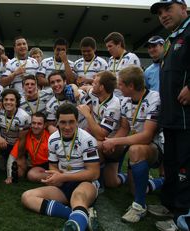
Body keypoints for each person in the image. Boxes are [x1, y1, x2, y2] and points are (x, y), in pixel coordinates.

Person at [21, 104, 100, 231]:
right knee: (27, 197)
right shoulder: (53, 139)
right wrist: (55, 175)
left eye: (71, 122)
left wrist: (62, 176)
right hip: (64, 184)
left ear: (77, 121)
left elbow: (94, 173)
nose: (67, 127)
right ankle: (82, 214)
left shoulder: (87, 139)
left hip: (85, 183)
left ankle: (76, 220)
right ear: (57, 122)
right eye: (63, 122)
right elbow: (52, 164)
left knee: (77, 196)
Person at [102, 66, 164, 223]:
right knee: (134, 189)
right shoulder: (125, 101)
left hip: (157, 147)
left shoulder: (154, 98)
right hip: (137, 144)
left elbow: (147, 136)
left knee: (135, 150)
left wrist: (115, 141)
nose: (118, 87)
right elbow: (124, 128)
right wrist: (111, 144)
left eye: (121, 84)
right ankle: (163, 182)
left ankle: (139, 207)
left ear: (131, 86)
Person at [150, 0, 190, 230]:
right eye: (160, 12)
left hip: (186, 117)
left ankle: (182, 216)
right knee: (172, 162)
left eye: (168, 9)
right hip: (172, 116)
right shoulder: (171, 39)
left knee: (185, 166)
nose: (163, 15)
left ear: (184, 8)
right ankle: (170, 204)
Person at [77, 71, 122, 190]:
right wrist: (75, 89)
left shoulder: (114, 106)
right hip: (102, 142)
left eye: (95, 83)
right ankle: (122, 176)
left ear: (102, 87)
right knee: (112, 183)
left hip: (112, 144)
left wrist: (88, 115)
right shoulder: (96, 93)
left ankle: (95, 181)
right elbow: (85, 88)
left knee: (92, 144)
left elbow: (102, 135)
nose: (92, 84)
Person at [0, 88, 30, 169]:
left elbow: (22, 140)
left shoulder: (24, 116)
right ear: (2, 101)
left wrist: (19, 157)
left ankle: (14, 159)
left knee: (19, 174)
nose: (8, 102)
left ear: (16, 102)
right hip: (2, 142)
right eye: (6, 99)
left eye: (11, 100)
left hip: (16, 144)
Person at [5, 112, 50, 184]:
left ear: (44, 125)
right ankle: (52, 178)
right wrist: (9, 176)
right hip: (36, 166)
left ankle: (57, 178)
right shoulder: (26, 135)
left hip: (51, 164)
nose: (35, 126)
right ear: (30, 124)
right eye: (33, 123)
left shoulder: (50, 136)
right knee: (18, 173)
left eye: (39, 124)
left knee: (32, 175)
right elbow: (12, 156)